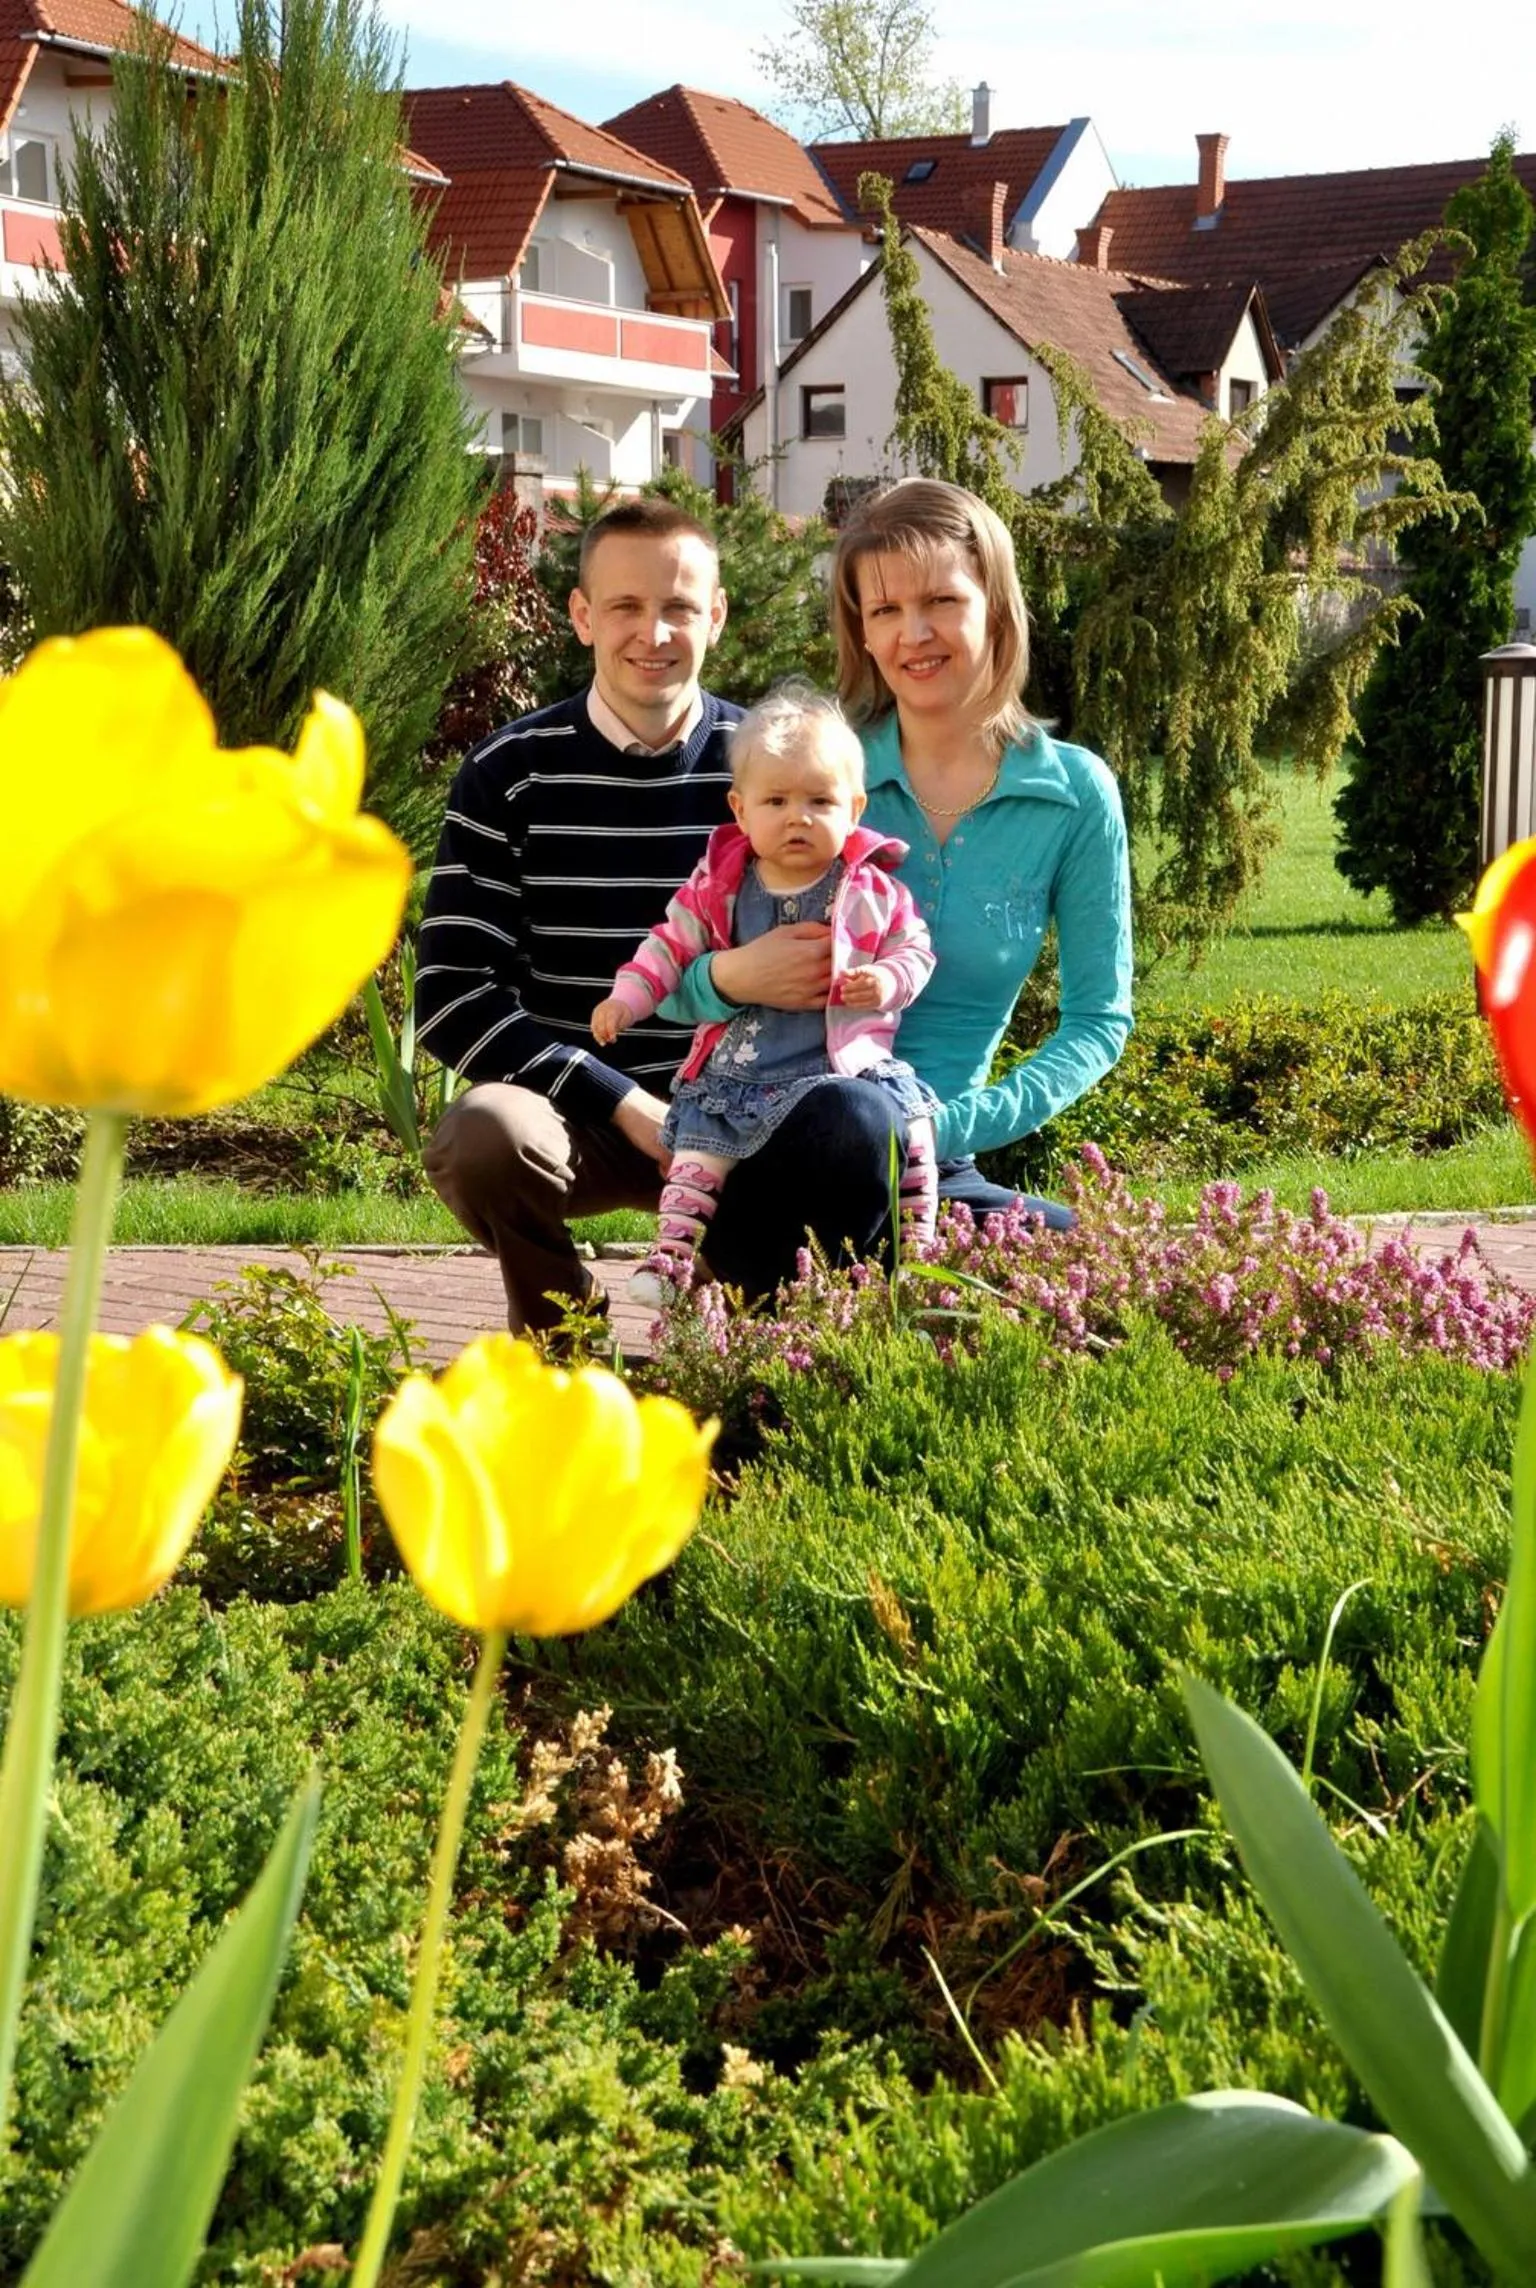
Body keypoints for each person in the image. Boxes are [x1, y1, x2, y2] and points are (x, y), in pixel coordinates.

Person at [413, 496, 906, 1335]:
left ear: (714, 615)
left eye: (679, 607)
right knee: (484, 1134)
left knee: (847, 1129)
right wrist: (616, 1100)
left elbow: (870, 935)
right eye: (626, 608)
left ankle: (730, 1306)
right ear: (581, 617)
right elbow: (453, 996)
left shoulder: (779, 768)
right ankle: (563, 1325)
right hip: (583, 1118)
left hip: (757, 1106)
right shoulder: (510, 775)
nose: (655, 633)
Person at [669, 479, 1133, 1221]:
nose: (912, 634)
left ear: (995, 604)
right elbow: (676, 974)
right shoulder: (817, 779)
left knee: (1082, 1259)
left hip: (936, 1164)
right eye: (885, 611)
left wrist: (940, 1128)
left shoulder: (1075, 796)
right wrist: (728, 975)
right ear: (862, 631)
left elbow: (1097, 1022)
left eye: (941, 601)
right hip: (775, 1147)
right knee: (851, 1132)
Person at [592, 683, 938, 1304]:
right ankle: (672, 1257)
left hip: (842, 1068)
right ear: (741, 809)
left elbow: (914, 950)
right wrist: (626, 998)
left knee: (914, 1136)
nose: (798, 817)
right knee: (703, 1155)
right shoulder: (719, 885)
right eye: (776, 800)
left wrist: (887, 981)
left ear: (854, 809)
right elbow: (668, 949)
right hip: (745, 1072)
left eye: (819, 800)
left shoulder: (872, 889)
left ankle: (922, 1252)